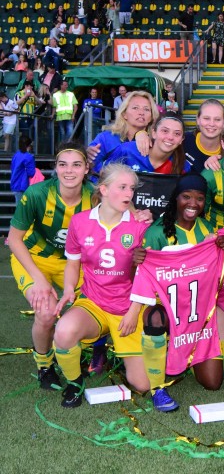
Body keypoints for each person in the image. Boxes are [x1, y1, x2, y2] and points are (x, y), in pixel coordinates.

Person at [53, 163, 151, 407]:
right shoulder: (79, 222)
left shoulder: (141, 225)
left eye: (132, 188)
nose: (129, 194)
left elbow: (146, 275)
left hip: (127, 307)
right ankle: (75, 382)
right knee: (64, 331)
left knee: (143, 386)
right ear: (104, 189)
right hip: (94, 302)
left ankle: (118, 348)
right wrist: (67, 291)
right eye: (122, 187)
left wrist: (133, 311)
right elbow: (73, 263)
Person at [8, 142, 95, 389]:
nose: (69, 171)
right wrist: (40, 280)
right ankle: (44, 364)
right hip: (35, 258)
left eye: (76, 165)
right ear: (55, 168)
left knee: (95, 306)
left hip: (74, 262)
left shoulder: (96, 196)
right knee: (45, 313)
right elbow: (14, 240)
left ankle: (75, 352)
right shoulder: (36, 194)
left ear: (86, 168)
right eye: (63, 165)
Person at [137, 173, 220, 411]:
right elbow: (143, 277)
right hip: (166, 308)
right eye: (186, 196)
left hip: (197, 315)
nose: (193, 204)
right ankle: (155, 382)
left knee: (213, 383)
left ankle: (187, 353)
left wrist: (220, 249)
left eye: (199, 199)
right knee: (155, 316)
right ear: (176, 198)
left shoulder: (206, 228)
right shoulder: (157, 231)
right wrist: (138, 260)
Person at [94, 112, 190, 175]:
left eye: (177, 134)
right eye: (165, 131)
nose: (170, 137)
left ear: (182, 140)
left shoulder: (182, 166)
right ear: (154, 133)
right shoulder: (127, 151)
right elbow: (104, 178)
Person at [87, 90, 157, 173]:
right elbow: (89, 167)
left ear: (151, 117)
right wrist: (86, 156)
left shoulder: (155, 143)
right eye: (135, 108)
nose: (141, 113)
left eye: (146, 109)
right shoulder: (106, 138)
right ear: (124, 114)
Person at [183, 98, 224, 172]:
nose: (212, 124)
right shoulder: (183, 141)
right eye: (206, 118)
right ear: (198, 119)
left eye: (217, 119)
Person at [10, 136, 35, 202]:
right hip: (23, 185)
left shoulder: (16, 155)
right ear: (29, 146)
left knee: (19, 207)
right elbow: (31, 173)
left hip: (15, 183)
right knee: (23, 209)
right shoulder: (29, 157)